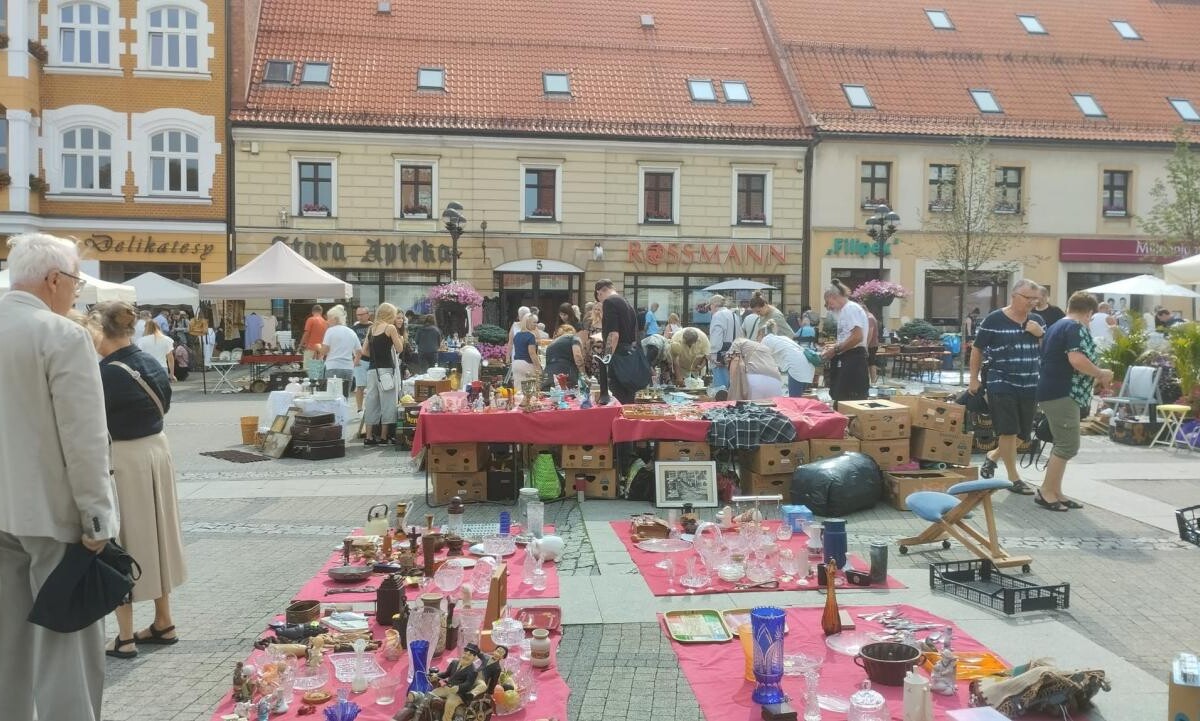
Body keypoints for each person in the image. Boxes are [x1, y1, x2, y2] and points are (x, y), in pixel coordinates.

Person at [0, 233, 118, 720]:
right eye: (74, 280)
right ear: (53, 279)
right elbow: (85, 437)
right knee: (66, 642)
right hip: (51, 512)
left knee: (8, 641)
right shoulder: (61, 335)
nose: (77, 290)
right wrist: (97, 516)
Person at [90, 301, 187, 660]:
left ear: (101, 331)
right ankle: (164, 621)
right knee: (159, 535)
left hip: (124, 457)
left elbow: (90, 422)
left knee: (121, 541)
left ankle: (126, 636)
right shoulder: (149, 360)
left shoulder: (104, 373)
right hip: (157, 451)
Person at [1035, 292, 1114, 512]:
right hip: (1063, 392)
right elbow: (1076, 359)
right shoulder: (1075, 328)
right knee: (1068, 445)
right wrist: (1100, 373)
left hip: (1054, 391)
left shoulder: (1058, 325)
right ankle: (1046, 492)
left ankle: (1056, 491)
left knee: (1062, 443)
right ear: (1089, 312)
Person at [969, 279, 1045, 494]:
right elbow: (977, 349)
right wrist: (973, 379)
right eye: (1028, 298)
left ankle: (993, 456)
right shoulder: (995, 319)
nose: (1032, 303)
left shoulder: (1037, 321)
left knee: (1022, 434)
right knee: (1008, 431)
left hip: (1030, 382)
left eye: (1035, 299)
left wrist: (1041, 335)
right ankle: (1014, 479)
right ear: (1014, 296)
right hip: (1001, 381)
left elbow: (1047, 352)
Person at [820, 280, 870, 406]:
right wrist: (835, 346)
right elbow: (850, 337)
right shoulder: (846, 310)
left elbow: (857, 337)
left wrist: (835, 349)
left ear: (833, 297)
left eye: (828, 302)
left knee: (847, 399)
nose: (829, 307)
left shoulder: (850, 309)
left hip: (853, 359)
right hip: (850, 356)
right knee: (841, 396)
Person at [361, 302, 405, 445]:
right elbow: (399, 349)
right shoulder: (390, 328)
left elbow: (364, 351)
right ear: (389, 314)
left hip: (372, 370)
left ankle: (368, 436)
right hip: (386, 370)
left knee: (371, 402)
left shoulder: (371, 329)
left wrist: (375, 357)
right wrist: (401, 340)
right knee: (387, 402)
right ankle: (384, 437)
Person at [595, 279, 644, 404]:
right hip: (629, 356)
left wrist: (607, 357)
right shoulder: (627, 303)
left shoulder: (609, 302)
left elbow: (613, 334)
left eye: (598, 297)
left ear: (600, 292)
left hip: (618, 357)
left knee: (617, 399)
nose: (600, 302)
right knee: (628, 401)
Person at [428, 643, 482, 721]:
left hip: (459, 694)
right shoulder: (454, 663)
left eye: (469, 655)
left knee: (450, 704)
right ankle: (431, 715)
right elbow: (446, 674)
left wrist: (458, 688)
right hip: (447, 688)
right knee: (431, 695)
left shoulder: (473, 671)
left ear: (474, 657)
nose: (466, 656)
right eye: (465, 653)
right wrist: (437, 676)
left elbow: (468, 684)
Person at [318, 305, 361, 399]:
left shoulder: (330, 331)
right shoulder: (351, 332)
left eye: (329, 318)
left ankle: (334, 414)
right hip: (348, 369)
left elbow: (324, 351)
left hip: (333, 367)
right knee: (345, 397)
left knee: (332, 397)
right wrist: (355, 363)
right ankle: (344, 413)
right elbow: (359, 350)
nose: (327, 321)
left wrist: (318, 347)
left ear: (335, 319)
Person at [707, 294, 743, 393]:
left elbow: (716, 337)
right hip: (734, 355)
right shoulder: (733, 315)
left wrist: (713, 355)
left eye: (710, 306)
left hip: (720, 357)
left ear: (714, 305)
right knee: (732, 389)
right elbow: (740, 335)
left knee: (721, 390)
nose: (710, 309)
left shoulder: (717, 315)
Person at [762, 333, 815, 397]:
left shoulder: (766, 341)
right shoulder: (782, 338)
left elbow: (763, 359)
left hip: (796, 368)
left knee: (794, 399)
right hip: (807, 366)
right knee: (799, 399)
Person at [542, 324, 588, 390]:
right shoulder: (574, 338)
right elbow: (577, 355)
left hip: (548, 377)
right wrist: (583, 374)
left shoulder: (551, 344)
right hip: (566, 375)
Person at [138, 313, 177, 381]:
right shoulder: (167, 340)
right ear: (158, 327)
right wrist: (172, 374)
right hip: (162, 367)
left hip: (147, 369)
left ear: (145, 328)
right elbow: (170, 358)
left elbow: (139, 358)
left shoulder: (141, 341)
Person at [351, 307, 373, 412]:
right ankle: (359, 409)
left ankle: (371, 408)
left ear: (368, 314)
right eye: (357, 315)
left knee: (372, 387)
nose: (359, 317)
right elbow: (350, 345)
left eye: (362, 314)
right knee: (360, 386)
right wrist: (354, 358)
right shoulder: (353, 329)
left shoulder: (373, 327)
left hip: (373, 360)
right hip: (360, 360)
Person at [298, 305, 328, 380]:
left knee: (308, 368)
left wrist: (300, 345)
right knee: (318, 368)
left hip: (310, 348)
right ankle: (317, 383)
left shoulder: (311, 319)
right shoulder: (325, 322)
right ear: (321, 312)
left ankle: (313, 383)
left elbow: (306, 333)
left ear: (312, 312)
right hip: (320, 349)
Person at [511, 313, 542, 384]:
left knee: (518, 390)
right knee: (530, 391)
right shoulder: (531, 336)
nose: (536, 324)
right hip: (527, 364)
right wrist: (538, 368)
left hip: (516, 364)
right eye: (534, 322)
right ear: (528, 323)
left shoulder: (517, 335)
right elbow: (532, 354)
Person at [866, 309, 880, 385]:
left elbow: (870, 333)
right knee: (870, 362)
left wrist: (866, 345)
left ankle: (873, 382)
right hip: (872, 344)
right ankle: (872, 381)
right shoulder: (871, 316)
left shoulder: (869, 318)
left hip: (871, 345)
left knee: (871, 363)